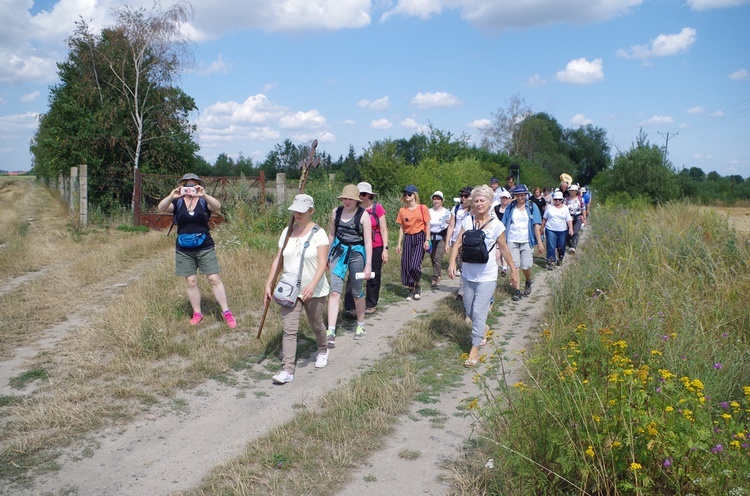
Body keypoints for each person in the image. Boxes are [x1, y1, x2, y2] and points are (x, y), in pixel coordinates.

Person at [448, 185, 518, 367]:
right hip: (468, 274)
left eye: (482, 200)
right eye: (476, 200)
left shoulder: (496, 225)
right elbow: (457, 244)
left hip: (487, 276)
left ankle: (474, 349)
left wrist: (513, 270)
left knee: (479, 312)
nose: (479, 204)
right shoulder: (467, 222)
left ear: (489, 203)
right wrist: (451, 262)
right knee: (470, 312)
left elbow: (504, 249)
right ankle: (483, 328)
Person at [264, 194, 330, 384]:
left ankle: (323, 349)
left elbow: (322, 263)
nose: (297, 214)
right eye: (295, 210)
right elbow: (278, 259)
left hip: (314, 289)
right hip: (290, 288)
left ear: (311, 211)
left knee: (316, 323)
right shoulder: (286, 232)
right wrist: (269, 283)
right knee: (289, 330)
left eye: (302, 211)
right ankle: (287, 370)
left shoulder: (319, 233)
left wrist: (311, 285)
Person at [157, 173, 236, 329]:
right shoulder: (177, 202)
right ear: (182, 187)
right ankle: (197, 313)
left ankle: (226, 312)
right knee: (191, 282)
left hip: (205, 246)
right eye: (187, 186)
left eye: (194, 185)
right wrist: (171, 195)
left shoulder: (203, 201)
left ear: (199, 186)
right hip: (184, 248)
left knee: (214, 278)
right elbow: (161, 208)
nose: (190, 189)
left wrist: (204, 195)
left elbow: (217, 206)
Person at [327, 185, 372, 344]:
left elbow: (368, 242)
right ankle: (330, 331)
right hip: (338, 252)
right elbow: (331, 234)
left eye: (351, 199)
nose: (347, 202)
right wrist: (327, 255)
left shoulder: (363, 215)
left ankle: (360, 324)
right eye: (345, 198)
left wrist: (368, 265)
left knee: (356, 290)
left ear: (357, 201)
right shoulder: (336, 212)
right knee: (334, 291)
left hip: (356, 253)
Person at [343, 182, 388, 316]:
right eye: (359, 194)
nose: (361, 197)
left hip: (376, 245)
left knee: (373, 274)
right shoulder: (354, 209)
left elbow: (384, 229)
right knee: (353, 275)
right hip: (358, 246)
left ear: (369, 195)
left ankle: (371, 303)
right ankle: (350, 306)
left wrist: (385, 249)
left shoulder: (377, 208)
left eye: (363, 194)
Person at [501, 184, 544, 301]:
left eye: (522, 195)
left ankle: (528, 281)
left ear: (525, 195)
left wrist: (539, 243)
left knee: (526, 266)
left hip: (526, 240)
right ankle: (517, 290)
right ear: (514, 196)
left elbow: (536, 225)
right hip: (512, 239)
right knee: (514, 266)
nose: (520, 197)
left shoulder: (532, 206)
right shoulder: (510, 207)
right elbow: (503, 224)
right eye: (517, 195)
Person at [396, 184, 430, 301]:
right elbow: (401, 227)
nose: (406, 196)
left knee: (415, 264)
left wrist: (427, 239)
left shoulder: (422, 208)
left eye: (409, 194)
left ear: (414, 195)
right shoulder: (402, 210)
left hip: (420, 236)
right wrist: (399, 243)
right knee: (406, 264)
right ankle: (411, 289)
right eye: (405, 194)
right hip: (408, 237)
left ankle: (418, 284)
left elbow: (427, 224)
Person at [446, 186, 473, 301]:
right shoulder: (456, 208)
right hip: (456, 241)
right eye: (461, 195)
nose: (463, 198)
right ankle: (465, 288)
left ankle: (462, 292)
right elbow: (451, 226)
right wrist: (447, 241)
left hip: (469, 242)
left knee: (466, 265)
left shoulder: (474, 209)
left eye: (466, 196)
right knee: (461, 267)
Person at [541, 191, 573, 270]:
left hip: (562, 229)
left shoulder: (565, 208)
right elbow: (545, 218)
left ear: (562, 199)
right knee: (551, 246)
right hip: (550, 229)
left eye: (559, 199)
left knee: (562, 245)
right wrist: (541, 228)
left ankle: (561, 257)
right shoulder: (549, 207)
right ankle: (551, 261)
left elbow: (568, 219)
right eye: (556, 199)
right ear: (553, 199)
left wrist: (571, 228)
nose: (557, 201)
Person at [428, 191, 452, 288]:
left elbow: (451, 225)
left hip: (442, 237)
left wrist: (449, 222)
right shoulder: (429, 211)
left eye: (438, 199)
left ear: (441, 201)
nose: (436, 201)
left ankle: (435, 278)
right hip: (431, 237)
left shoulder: (447, 212)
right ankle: (438, 273)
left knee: (438, 257)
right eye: (434, 199)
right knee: (432, 257)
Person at [493, 189, 512, 277]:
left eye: (506, 198)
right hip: (497, 230)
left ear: (509, 199)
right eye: (503, 198)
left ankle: (504, 266)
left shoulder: (511, 208)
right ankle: (503, 266)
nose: (504, 199)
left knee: (504, 248)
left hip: (507, 231)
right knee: (499, 249)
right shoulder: (496, 208)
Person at [565, 184, 586, 254]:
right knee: (568, 232)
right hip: (568, 217)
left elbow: (583, 209)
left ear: (576, 192)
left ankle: (573, 246)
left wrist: (584, 218)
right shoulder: (566, 199)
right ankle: (569, 243)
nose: (571, 192)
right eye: (570, 191)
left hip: (578, 216)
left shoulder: (580, 199)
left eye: (573, 191)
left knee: (576, 231)